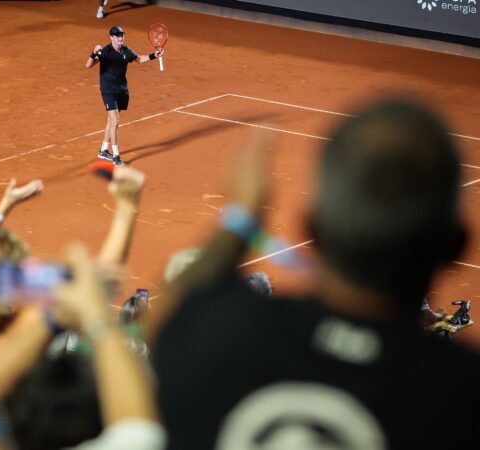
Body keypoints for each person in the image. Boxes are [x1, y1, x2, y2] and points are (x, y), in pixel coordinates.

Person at [149, 98, 480, 450]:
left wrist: (240, 219)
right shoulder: (463, 394)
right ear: (457, 247)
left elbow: (170, 311)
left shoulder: (222, 332)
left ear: (312, 227)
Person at [86, 26, 164, 167]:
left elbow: (139, 59)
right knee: (115, 121)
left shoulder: (126, 50)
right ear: (111, 38)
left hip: (121, 89)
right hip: (108, 90)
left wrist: (154, 55)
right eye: (117, 36)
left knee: (111, 120)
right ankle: (116, 156)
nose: (120, 37)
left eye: (121, 35)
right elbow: (88, 65)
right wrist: (93, 53)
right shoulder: (105, 51)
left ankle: (103, 150)